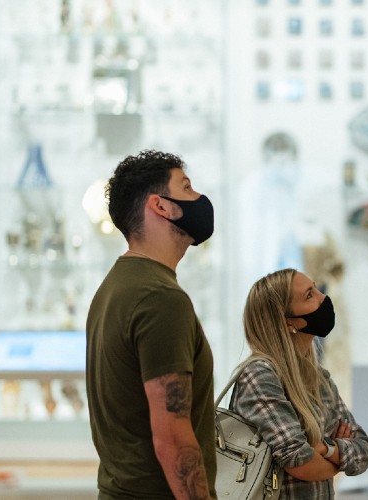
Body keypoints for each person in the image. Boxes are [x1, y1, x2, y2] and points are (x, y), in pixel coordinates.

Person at [86, 150, 217, 499]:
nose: (198, 198)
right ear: (161, 206)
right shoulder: (161, 299)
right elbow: (173, 438)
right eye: (186, 188)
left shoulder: (115, 286)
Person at [233, 268, 368, 499]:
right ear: (288, 322)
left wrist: (325, 449)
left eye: (316, 288)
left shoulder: (318, 377)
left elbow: (364, 451)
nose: (322, 297)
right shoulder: (260, 376)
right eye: (309, 295)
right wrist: (338, 459)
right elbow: (299, 460)